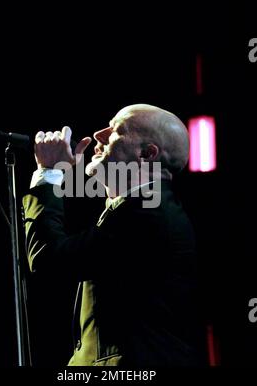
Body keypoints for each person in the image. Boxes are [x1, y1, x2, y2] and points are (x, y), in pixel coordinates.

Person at [22, 104, 205, 366]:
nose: (99, 134)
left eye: (117, 129)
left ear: (147, 154)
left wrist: (48, 172)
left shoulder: (147, 216)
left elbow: (49, 261)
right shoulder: (140, 209)